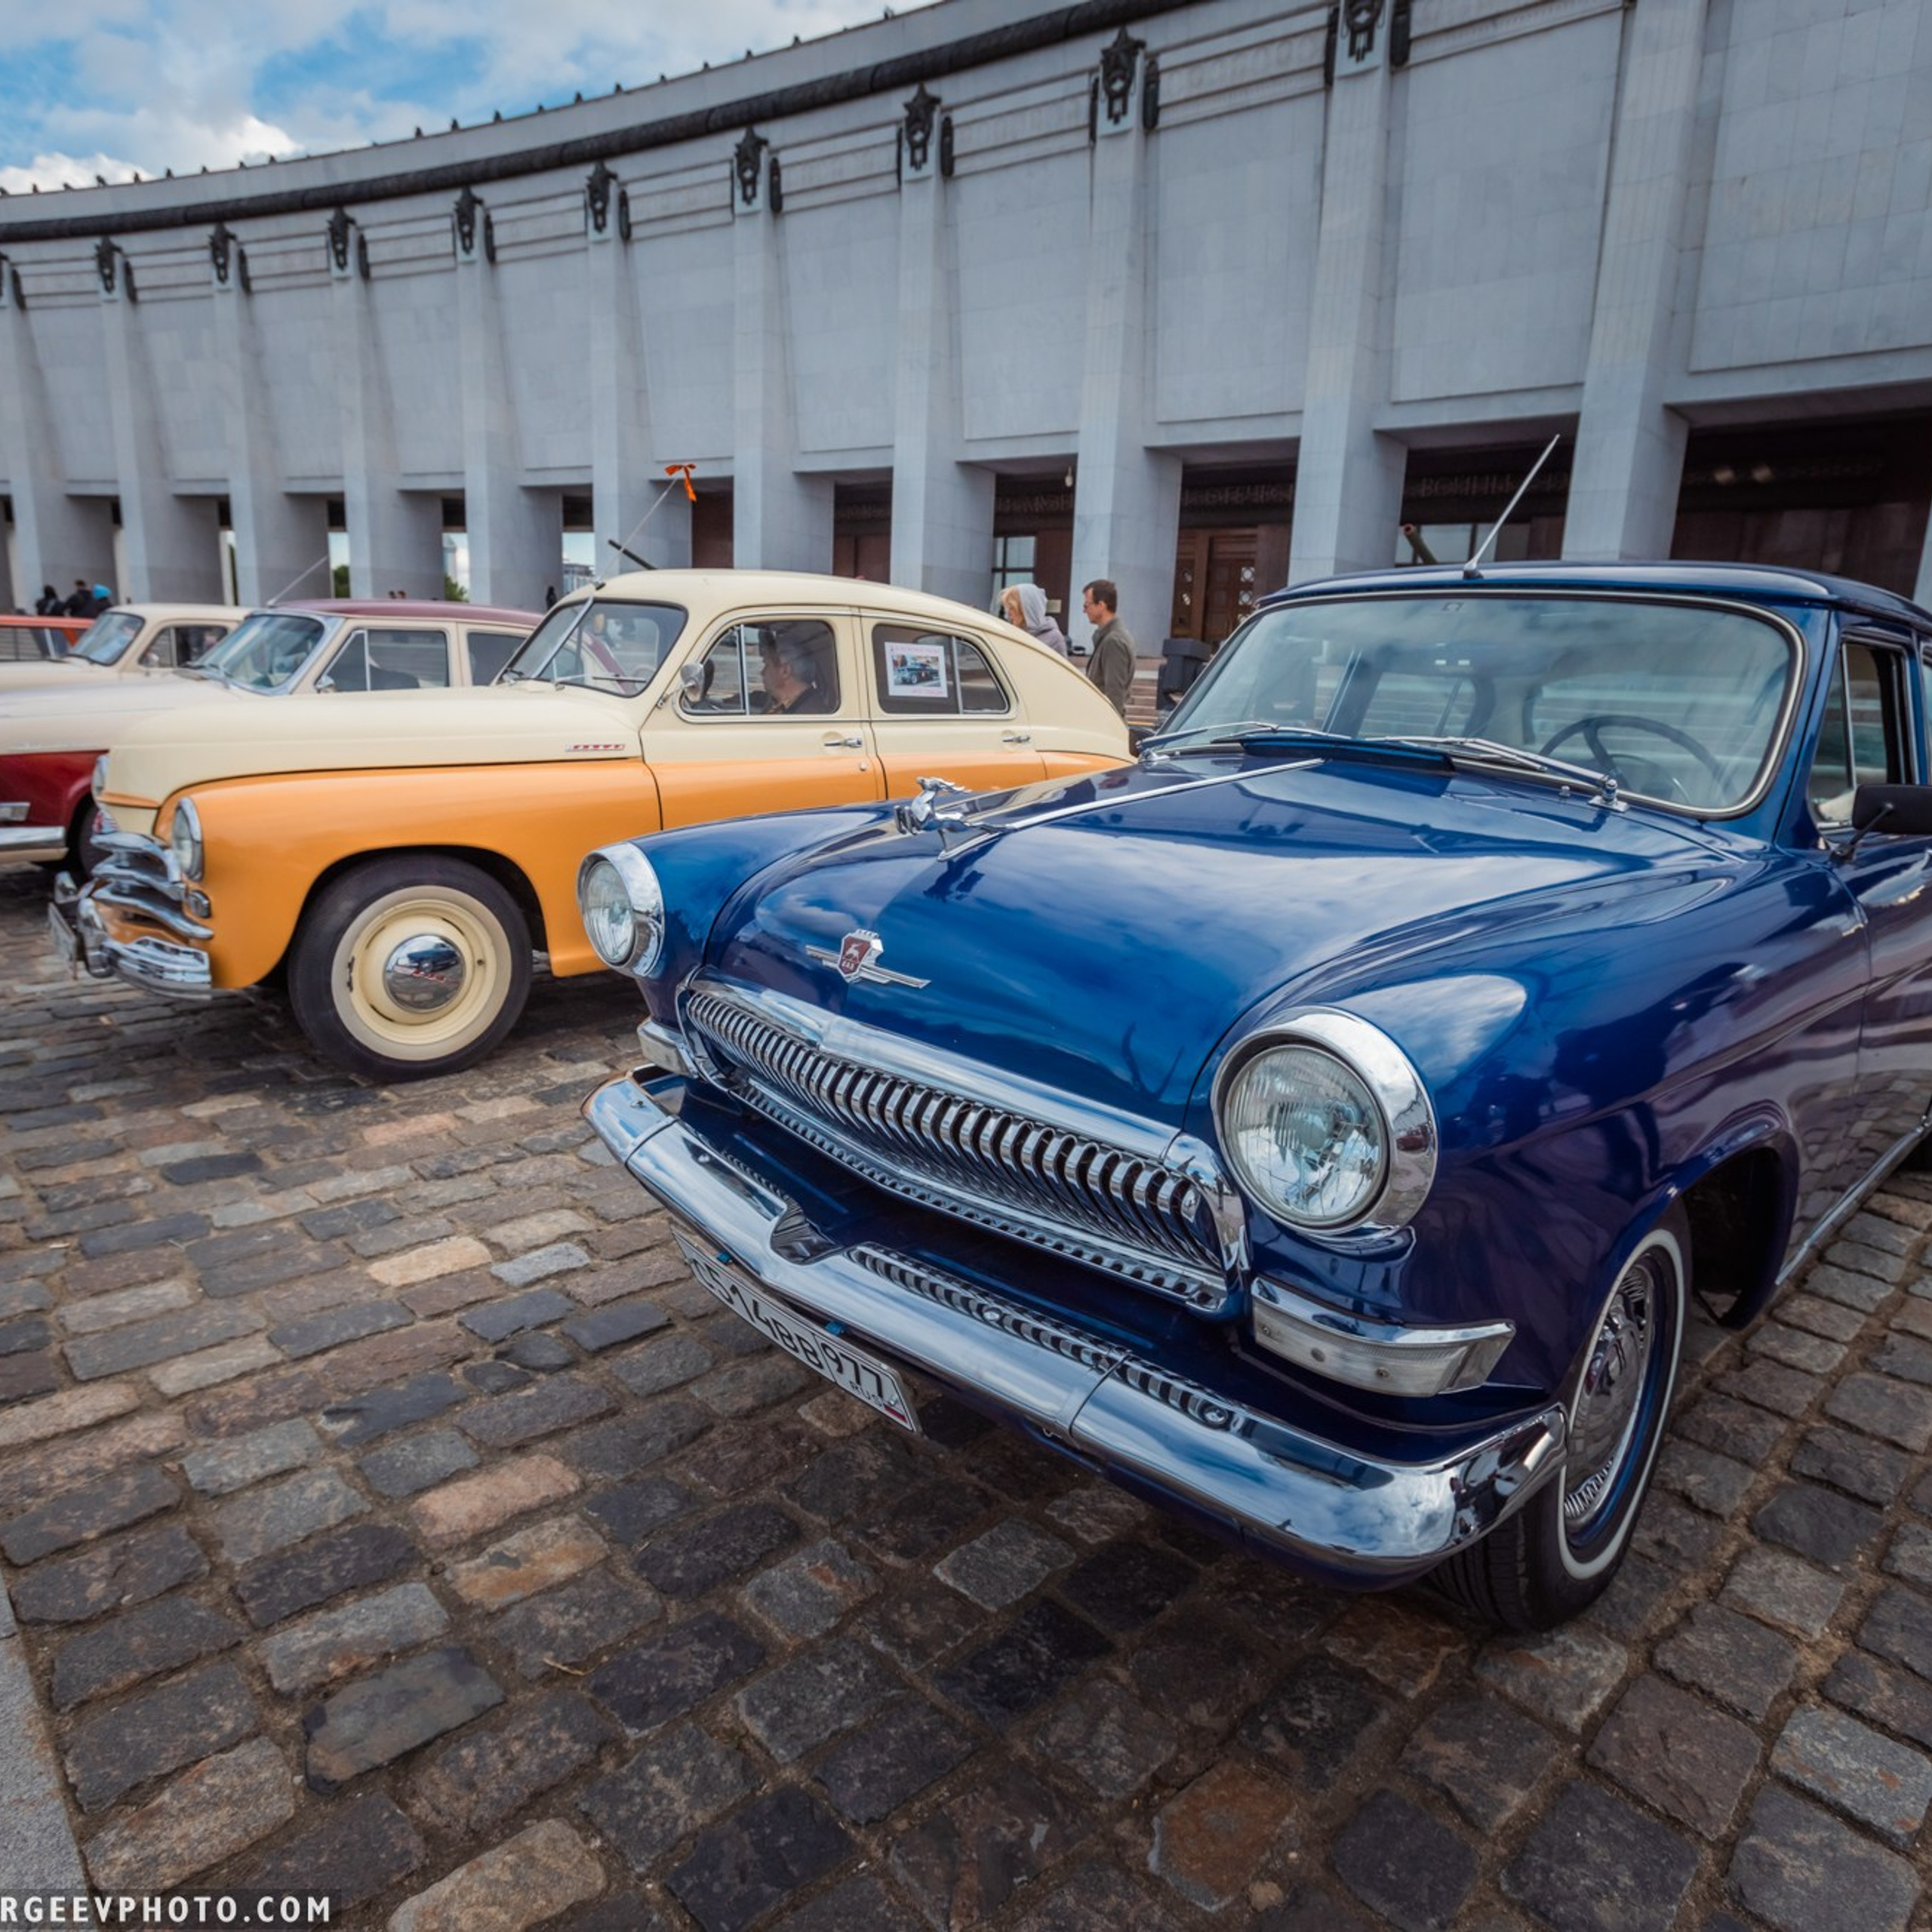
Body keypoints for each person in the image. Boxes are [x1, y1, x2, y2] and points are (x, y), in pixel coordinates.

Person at [1081, 578, 1136, 717]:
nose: (1084, 610)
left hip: (1104, 724)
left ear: (1101, 605)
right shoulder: (1111, 637)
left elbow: (1115, 695)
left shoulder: (1114, 641)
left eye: (1087, 605)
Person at [758, 633, 831, 715]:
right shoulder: (789, 705)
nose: (762, 672)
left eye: (767, 665)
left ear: (785, 671)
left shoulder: (807, 715)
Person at [1001, 583, 1069, 657]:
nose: (1008, 613)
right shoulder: (1011, 633)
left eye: (1012, 608)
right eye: (1007, 608)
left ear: (1026, 609)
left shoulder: (1054, 639)